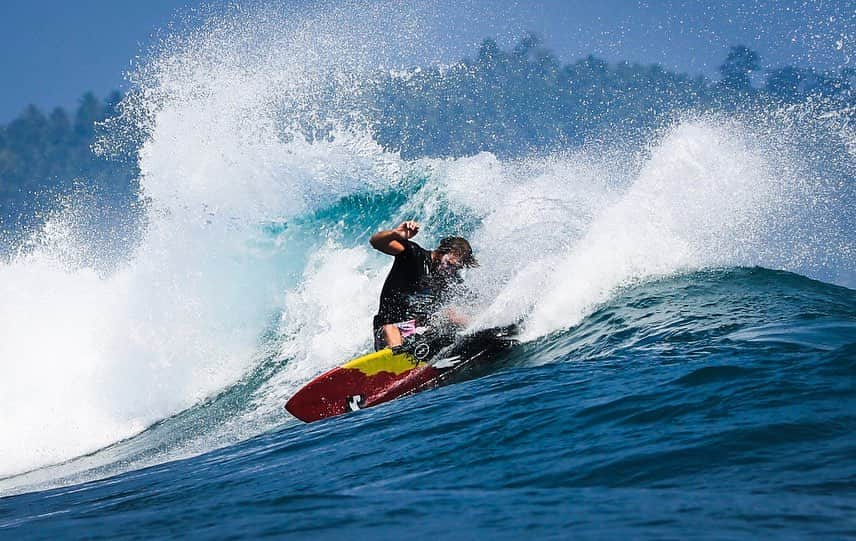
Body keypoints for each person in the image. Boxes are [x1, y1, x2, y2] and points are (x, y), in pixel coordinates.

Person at [370, 220, 478, 350]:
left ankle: (480, 332)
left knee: (451, 315)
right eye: (449, 263)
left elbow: (469, 301)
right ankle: (397, 356)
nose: (450, 270)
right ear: (441, 252)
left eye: (455, 268)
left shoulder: (448, 278)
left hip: (420, 334)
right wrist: (394, 234)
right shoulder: (414, 255)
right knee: (390, 328)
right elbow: (376, 242)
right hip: (390, 331)